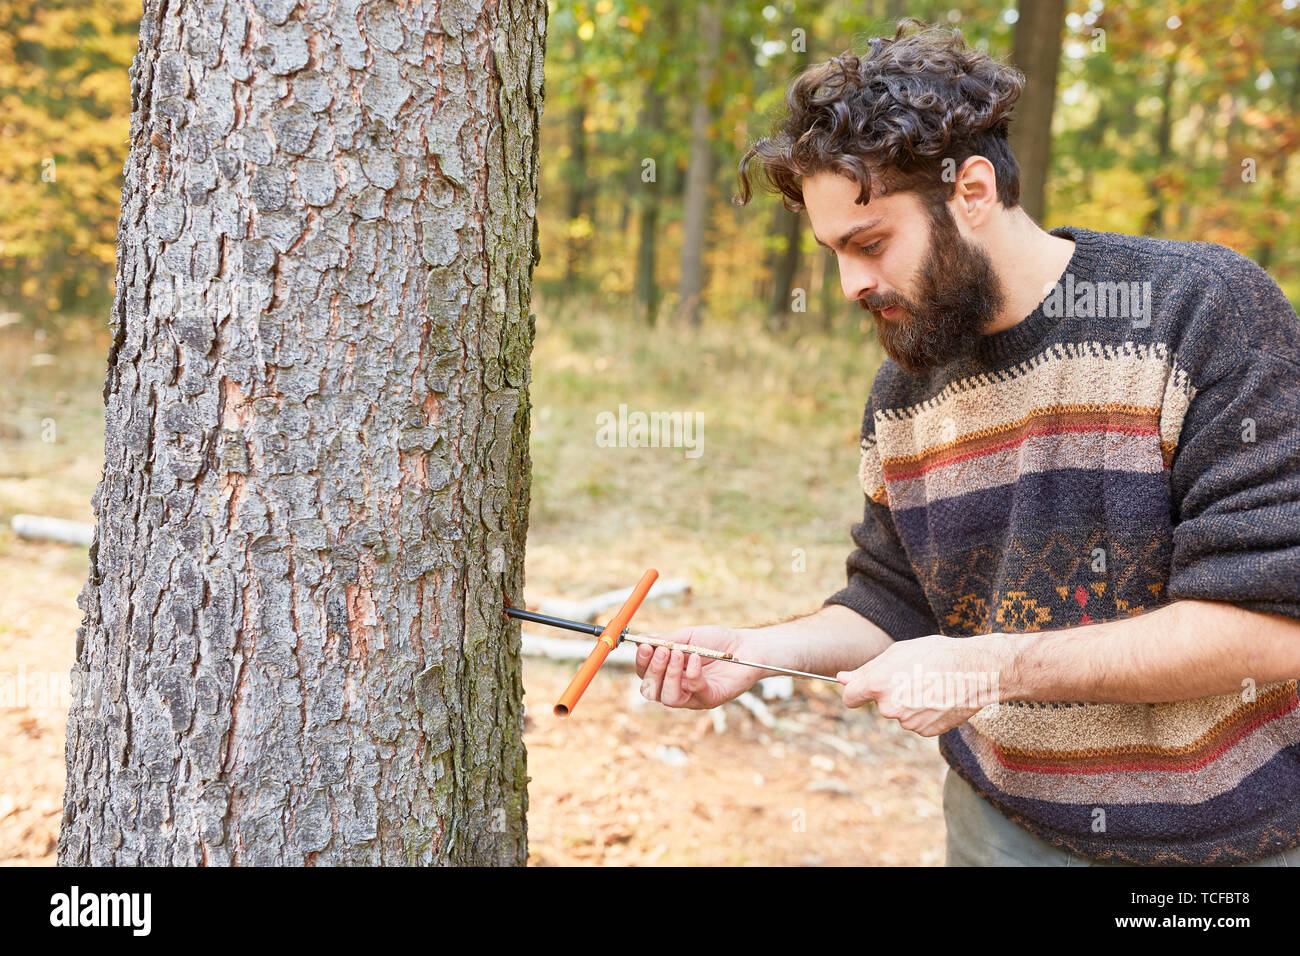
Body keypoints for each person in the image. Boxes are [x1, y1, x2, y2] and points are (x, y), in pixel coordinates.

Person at [635, 20, 1300, 867]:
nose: (851, 286)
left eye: (870, 245)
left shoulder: (1202, 312)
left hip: (1236, 843)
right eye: (834, 254)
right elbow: (894, 603)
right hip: (1002, 833)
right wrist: (764, 652)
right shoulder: (904, 393)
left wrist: (993, 665)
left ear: (973, 190)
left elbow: (1272, 624)